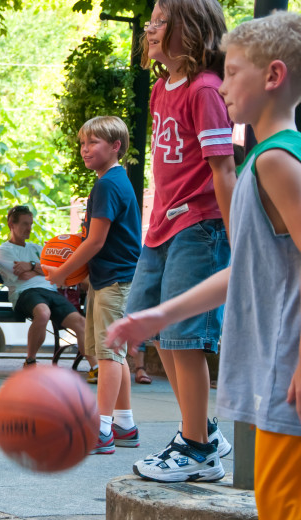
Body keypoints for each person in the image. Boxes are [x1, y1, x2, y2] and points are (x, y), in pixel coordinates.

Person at [107, 12, 301, 514]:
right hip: (274, 384)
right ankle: (199, 439)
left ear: (273, 77)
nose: (223, 82)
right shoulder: (269, 158)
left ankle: (198, 443)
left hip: (286, 377)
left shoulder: (276, 160)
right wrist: (161, 315)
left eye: (233, 72)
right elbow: (247, 270)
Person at [118, 0, 237, 481]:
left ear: (188, 29)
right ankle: (202, 428)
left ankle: (197, 448)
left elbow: (222, 167)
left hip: (200, 225)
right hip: (163, 226)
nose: (150, 28)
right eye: (151, 19)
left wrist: (236, 234)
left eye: (160, 20)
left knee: (184, 338)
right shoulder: (161, 90)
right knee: (153, 327)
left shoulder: (206, 90)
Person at [45, 116, 142, 456]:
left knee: (108, 355)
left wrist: (62, 273)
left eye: (94, 142)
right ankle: (124, 424)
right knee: (115, 353)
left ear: (116, 146)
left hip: (114, 279)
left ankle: (102, 429)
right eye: (83, 143)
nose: (85, 149)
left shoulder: (107, 185)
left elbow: (95, 241)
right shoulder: (115, 180)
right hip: (112, 278)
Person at [0, 205, 99, 381]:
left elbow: (55, 269)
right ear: (11, 224)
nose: (29, 228)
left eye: (31, 224)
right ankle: (30, 361)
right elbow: (25, 276)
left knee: (80, 322)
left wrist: (31, 266)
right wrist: (38, 269)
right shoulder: (4, 250)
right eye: (25, 224)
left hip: (50, 291)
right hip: (25, 293)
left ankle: (95, 368)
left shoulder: (36, 248)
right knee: (43, 313)